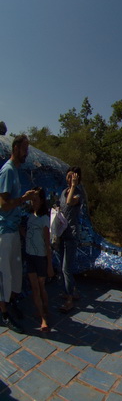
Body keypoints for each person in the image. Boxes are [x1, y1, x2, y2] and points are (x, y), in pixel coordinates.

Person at [0, 135, 37, 333]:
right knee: (3, 274)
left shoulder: (16, 171)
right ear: (15, 149)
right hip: (4, 231)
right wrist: (23, 199)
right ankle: (4, 313)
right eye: (24, 149)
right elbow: (3, 205)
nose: (27, 153)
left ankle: (11, 304)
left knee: (15, 275)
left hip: (14, 230)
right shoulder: (7, 171)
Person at [23, 187, 53, 332]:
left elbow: (47, 244)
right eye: (32, 200)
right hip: (30, 256)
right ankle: (43, 317)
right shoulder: (30, 216)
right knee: (35, 288)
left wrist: (49, 265)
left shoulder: (44, 219)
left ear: (41, 201)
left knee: (41, 287)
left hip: (40, 257)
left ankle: (45, 311)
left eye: (35, 200)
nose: (33, 202)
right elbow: (27, 234)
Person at [58, 166, 83, 313]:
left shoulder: (77, 194)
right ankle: (71, 291)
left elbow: (69, 202)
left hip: (71, 235)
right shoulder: (63, 192)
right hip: (62, 233)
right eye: (68, 177)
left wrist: (74, 186)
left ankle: (69, 299)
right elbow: (62, 206)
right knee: (62, 266)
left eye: (72, 177)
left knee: (66, 268)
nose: (69, 179)